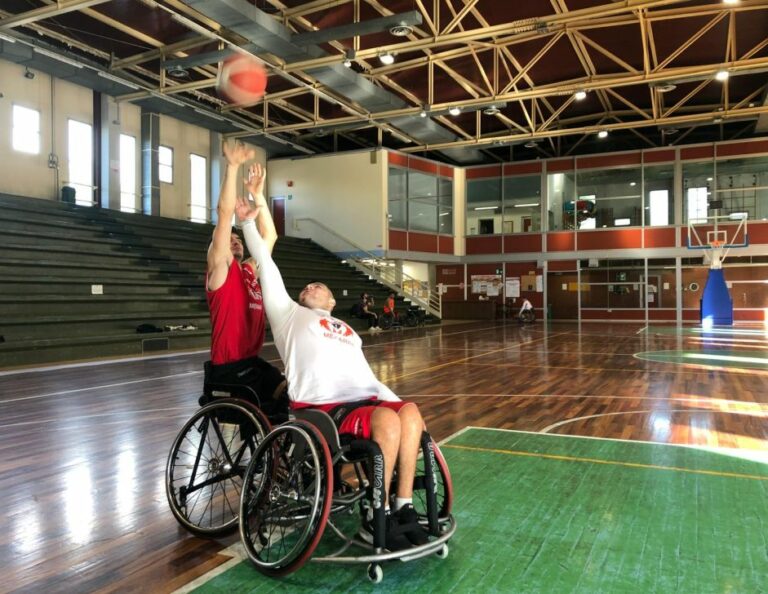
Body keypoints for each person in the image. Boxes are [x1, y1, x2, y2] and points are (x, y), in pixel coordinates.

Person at [235, 193, 429, 551]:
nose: (310, 287)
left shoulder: (348, 331)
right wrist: (248, 221)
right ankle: (377, 513)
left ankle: (402, 506)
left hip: (363, 399)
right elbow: (265, 259)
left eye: (319, 287)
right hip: (322, 409)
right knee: (387, 421)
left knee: (410, 414)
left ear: (332, 302)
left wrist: (394, 399)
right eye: (306, 286)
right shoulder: (288, 314)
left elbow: (366, 376)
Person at [204, 140, 286, 418]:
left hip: (251, 363)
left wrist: (257, 195)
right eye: (231, 239)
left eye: (239, 239)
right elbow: (225, 214)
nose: (235, 241)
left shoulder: (250, 271)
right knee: (275, 400)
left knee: (289, 391)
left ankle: (275, 456)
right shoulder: (220, 271)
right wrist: (233, 167)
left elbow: (270, 237)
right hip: (229, 369)